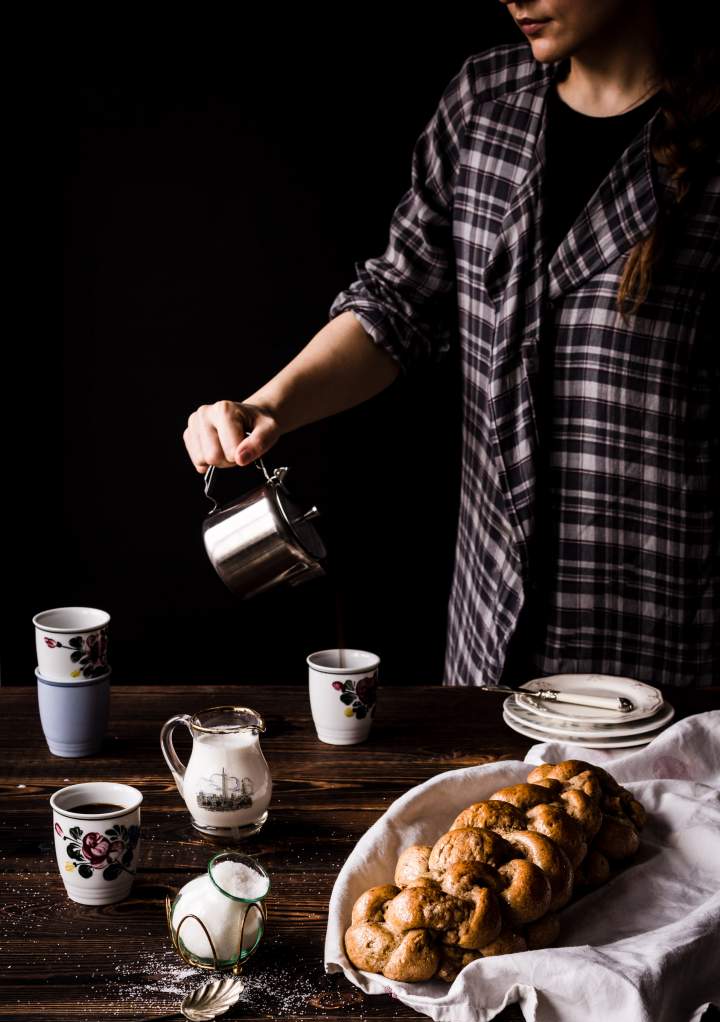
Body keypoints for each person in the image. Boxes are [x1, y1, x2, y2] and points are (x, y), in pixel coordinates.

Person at [183, 1, 719, 687]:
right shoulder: (485, 104)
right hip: (489, 644)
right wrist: (269, 405)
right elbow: (398, 305)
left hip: (659, 657)